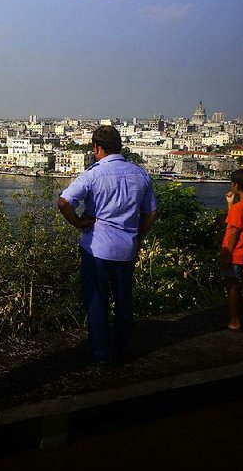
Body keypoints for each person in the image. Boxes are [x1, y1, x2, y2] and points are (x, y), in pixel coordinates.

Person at [57, 125, 157, 366]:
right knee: (124, 300)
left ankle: (101, 352)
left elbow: (64, 202)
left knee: (97, 299)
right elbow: (151, 212)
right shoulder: (140, 174)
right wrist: (138, 236)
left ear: (97, 147)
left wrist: (79, 222)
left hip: (97, 248)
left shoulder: (94, 174)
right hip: (127, 248)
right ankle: (122, 346)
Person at [220, 168, 243, 332]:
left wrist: (227, 254)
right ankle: (238, 318)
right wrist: (230, 204)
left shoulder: (238, 208)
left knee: (232, 288)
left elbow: (234, 231)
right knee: (236, 286)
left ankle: (234, 321)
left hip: (234, 254)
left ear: (236, 185)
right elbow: (235, 222)